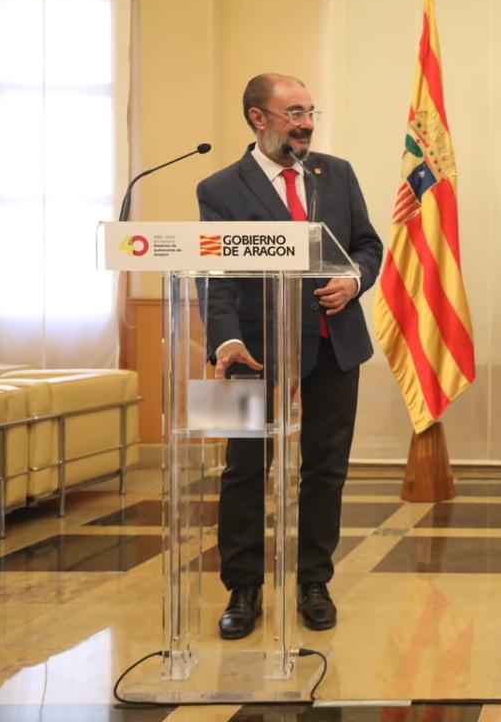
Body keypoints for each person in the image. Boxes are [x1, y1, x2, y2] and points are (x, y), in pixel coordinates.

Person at [198, 73, 382, 639]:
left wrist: (354, 280)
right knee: (244, 470)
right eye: (294, 113)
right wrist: (225, 342)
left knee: (325, 469)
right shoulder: (219, 188)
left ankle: (314, 583)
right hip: (251, 352)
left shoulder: (336, 173)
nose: (306, 124)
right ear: (258, 118)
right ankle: (243, 588)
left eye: (309, 113)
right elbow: (214, 272)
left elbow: (367, 245)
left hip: (333, 343)